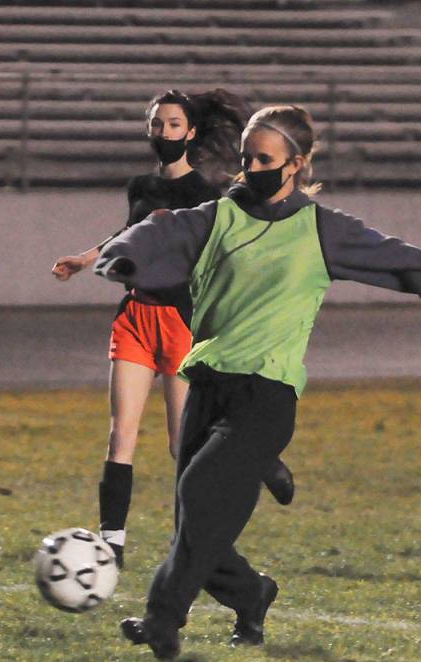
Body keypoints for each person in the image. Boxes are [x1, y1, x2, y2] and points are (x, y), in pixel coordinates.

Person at [94, 105, 421, 660]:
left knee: (200, 496)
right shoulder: (219, 216)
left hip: (267, 393)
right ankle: (253, 594)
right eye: (246, 158)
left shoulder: (321, 229)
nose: (251, 168)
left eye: (264, 159)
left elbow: (407, 261)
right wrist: (123, 254)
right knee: (197, 526)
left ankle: (162, 619)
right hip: (208, 383)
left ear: (296, 164)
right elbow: (160, 229)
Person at [51, 89, 294, 568]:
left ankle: (251, 463)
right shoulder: (140, 185)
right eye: (157, 125)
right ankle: (112, 546)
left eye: (174, 125)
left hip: (182, 324)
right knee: (121, 435)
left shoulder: (204, 194)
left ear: (191, 132)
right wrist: (84, 259)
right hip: (136, 318)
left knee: (182, 444)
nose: (164, 133)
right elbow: (129, 232)